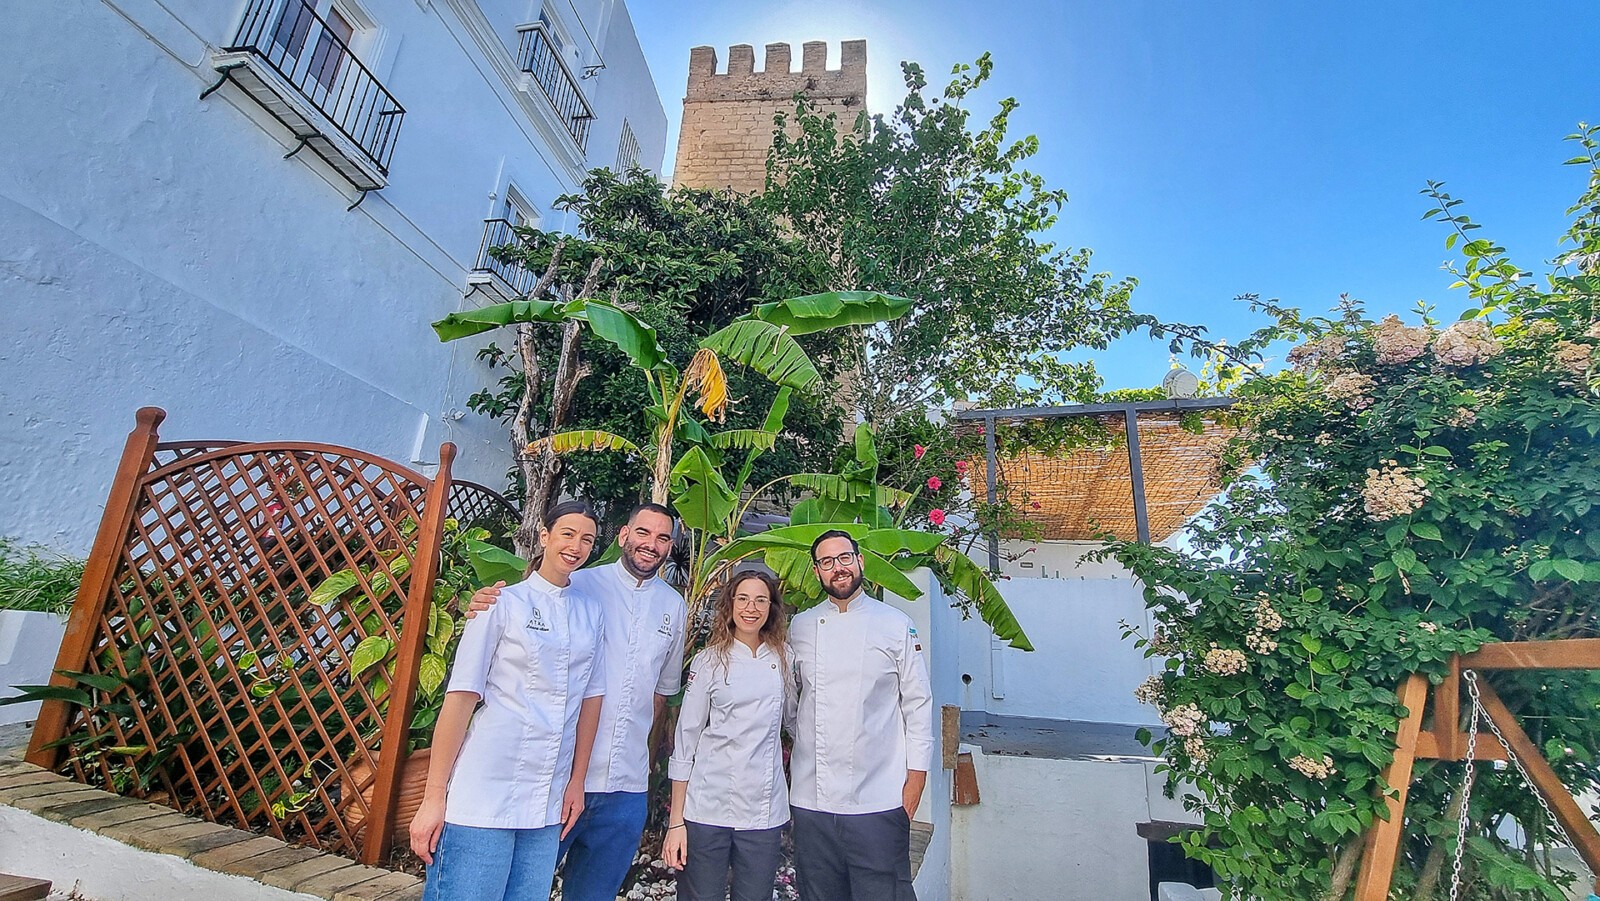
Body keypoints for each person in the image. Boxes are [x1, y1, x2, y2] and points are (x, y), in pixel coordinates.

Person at [467, 502, 687, 901]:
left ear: (670, 546)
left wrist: (649, 759)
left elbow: (659, 694)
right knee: (522, 888)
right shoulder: (582, 583)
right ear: (624, 535)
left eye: (662, 537)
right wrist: (482, 602)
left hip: (628, 786)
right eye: (643, 533)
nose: (650, 544)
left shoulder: (674, 606)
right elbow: (524, 607)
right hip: (563, 780)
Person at [409, 501, 607, 901]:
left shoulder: (591, 613)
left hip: (547, 801)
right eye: (567, 534)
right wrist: (434, 798)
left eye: (587, 539)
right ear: (544, 536)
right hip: (485, 790)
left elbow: (591, 700)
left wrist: (577, 782)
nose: (576, 546)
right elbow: (461, 699)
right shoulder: (501, 603)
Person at [788, 529, 933, 901]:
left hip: (878, 797)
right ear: (817, 571)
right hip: (811, 799)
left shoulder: (895, 624)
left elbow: (917, 705)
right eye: (827, 562)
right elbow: (789, 702)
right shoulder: (799, 626)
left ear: (860, 562)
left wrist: (914, 782)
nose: (838, 568)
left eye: (845, 558)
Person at [662, 570, 791, 901]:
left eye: (761, 599)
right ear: (730, 605)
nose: (751, 608)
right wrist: (677, 822)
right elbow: (685, 741)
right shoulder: (709, 661)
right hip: (708, 806)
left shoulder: (786, 659)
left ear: (772, 607)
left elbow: (795, 721)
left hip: (763, 811)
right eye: (743, 599)